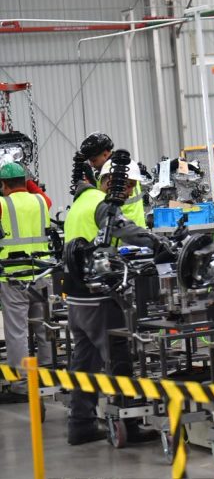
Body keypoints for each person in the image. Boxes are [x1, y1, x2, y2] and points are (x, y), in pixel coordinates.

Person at [63, 159, 167, 445]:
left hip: (76, 295)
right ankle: (128, 425)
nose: (129, 191)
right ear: (110, 180)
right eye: (128, 184)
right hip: (99, 295)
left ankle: (80, 425)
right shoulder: (101, 204)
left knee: (84, 363)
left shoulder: (79, 203)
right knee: (118, 358)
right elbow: (125, 229)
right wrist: (158, 243)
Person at [0, 162, 52, 398]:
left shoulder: (3, 204)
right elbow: (43, 197)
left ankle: (21, 385)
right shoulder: (41, 201)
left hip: (13, 278)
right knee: (44, 328)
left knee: (17, 333)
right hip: (41, 275)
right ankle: (48, 376)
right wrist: (28, 181)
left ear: (4, 185)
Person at [78, 133, 147, 227]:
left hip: (121, 229)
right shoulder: (126, 165)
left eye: (94, 160)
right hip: (135, 227)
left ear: (105, 154)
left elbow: (101, 201)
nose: (92, 165)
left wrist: (89, 180)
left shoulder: (112, 170)